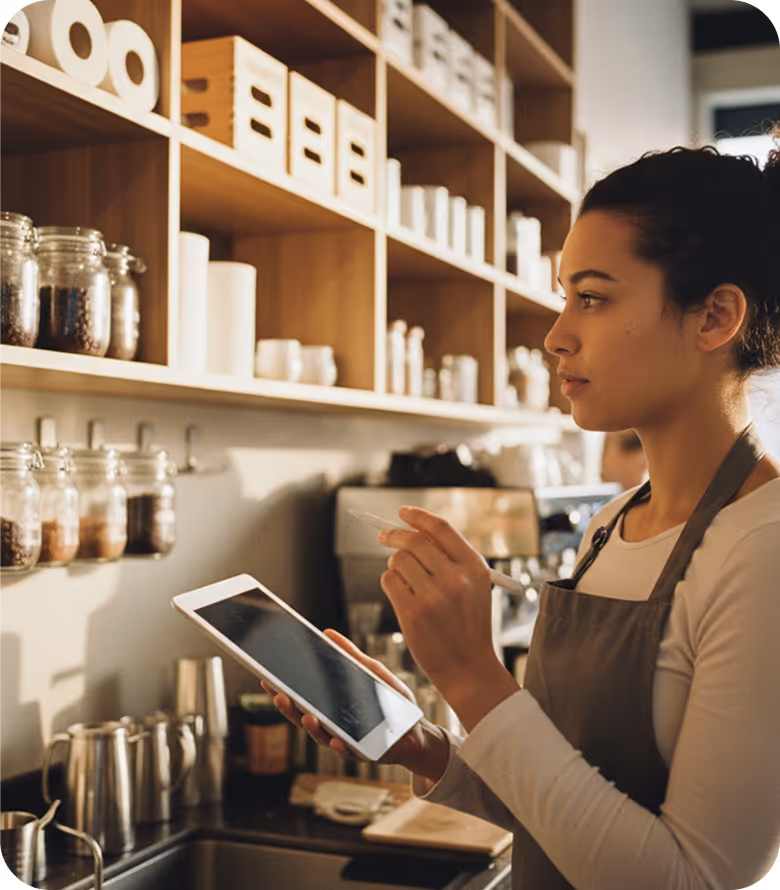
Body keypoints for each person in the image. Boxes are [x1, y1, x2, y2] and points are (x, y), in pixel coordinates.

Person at [264, 141, 780, 889]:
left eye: (592, 298)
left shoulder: (763, 548)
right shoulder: (610, 527)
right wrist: (420, 743)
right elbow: (560, 806)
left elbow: (693, 876)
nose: (555, 334)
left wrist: (474, 676)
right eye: (565, 296)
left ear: (715, 317)